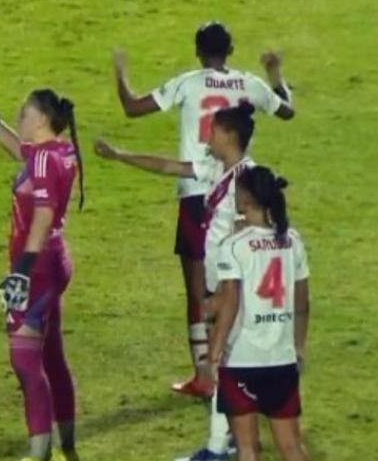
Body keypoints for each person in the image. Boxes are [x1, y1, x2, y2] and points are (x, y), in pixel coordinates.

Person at [112, 20, 295, 399]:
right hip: (242, 192)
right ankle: (237, 365)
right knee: (237, 281)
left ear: (198, 50)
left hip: (199, 188)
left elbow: (132, 107)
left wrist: (120, 72)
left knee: (199, 288)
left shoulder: (190, 82)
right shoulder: (250, 84)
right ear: (230, 50)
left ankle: (205, 374)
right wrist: (275, 73)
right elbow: (287, 111)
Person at [96, 103, 259, 461]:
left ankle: (224, 445)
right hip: (224, 283)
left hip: (238, 287)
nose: (206, 136)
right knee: (229, 364)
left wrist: (234, 252)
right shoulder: (220, 169)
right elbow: (172, 166)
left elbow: (266, 224)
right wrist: (121, 156)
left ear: (229, 135)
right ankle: (226, 441)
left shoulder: (250, 177)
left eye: (212, 130)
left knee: (229, 364)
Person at [0, 72, 84, 461]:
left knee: (25, 361)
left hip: (38, 266)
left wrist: (22, 269)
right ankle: (68, 446)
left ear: (41, 119)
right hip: (56, 260)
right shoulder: (59, 151)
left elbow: (42, 213)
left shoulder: (43, 158)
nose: (19, 118)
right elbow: (22, 152)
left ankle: (39, 452)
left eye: (24, 113)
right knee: (52, 356)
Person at [209, 166, 311, 461]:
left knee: (247, 447)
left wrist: (214, 354)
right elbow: (303, 303)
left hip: (242, 358)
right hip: (282, 357)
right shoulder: (293, 240)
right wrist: (299, 347)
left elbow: (229, 303)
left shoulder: (234, 246)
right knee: (291, 446)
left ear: (245, 200)